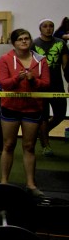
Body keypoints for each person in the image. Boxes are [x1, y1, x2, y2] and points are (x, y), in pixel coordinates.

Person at [0, 29, 49, 197]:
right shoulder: (5, 59)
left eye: (27, 38)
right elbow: (4, 83)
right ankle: (4, 182)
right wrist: (17, 79)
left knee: (29, 146)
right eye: (20, 39)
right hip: (10, 107)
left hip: (32, 108)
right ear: (14, 43)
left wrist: (33, 80)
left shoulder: (40, 61)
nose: (24, 42)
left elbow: (46, 84)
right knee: (8, 145)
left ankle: (31, 184)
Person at [33, 18, 67, 157]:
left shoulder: (61, 43)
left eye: (51, 26)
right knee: (43, 117)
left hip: (57, 85)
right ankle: (46, 145)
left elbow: (66, 66)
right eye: (45, 26)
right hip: (40, 85)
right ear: (40, 28)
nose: (48, 28)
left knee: (60, 114)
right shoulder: (34, 44)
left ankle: (42, 133)